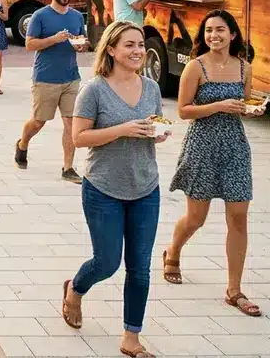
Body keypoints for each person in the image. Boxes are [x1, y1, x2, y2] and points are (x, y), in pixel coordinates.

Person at [60, 20, 167, 358]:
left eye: (140, 45)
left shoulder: (150, 88)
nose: (137, 51)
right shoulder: (94, 90)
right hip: (103, 187)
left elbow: (156, 125)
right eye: (129, 45)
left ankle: (131, 337)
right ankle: (75, 289)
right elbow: (79, 138)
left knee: (140, 266)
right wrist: (122, 129)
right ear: (111, 50)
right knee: (107, 263)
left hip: (146, 187)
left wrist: (159, 133)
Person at [163, 10, 264, 317]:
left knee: (238, 218)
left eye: (220, 29)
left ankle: (234, 290)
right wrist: (219, 105)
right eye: (208, 31)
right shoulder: (196, 67)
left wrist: (250, 110)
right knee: (196, 218)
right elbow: (183, 111)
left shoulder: (244, 68)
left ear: (233, 34)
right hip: (202, 146)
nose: (213, 35)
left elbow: (243, 104)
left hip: (235, 147)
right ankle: (173, 251)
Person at [15, 0, 89, 183]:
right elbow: (29, 45)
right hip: (45, 78)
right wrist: (54, 39)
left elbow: (81, 41)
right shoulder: (40, 15)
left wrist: (81, 45)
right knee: (39, 122)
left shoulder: (76, 17)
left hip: (71, 78)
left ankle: (68, 168)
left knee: (71, 123)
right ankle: (22, 144)